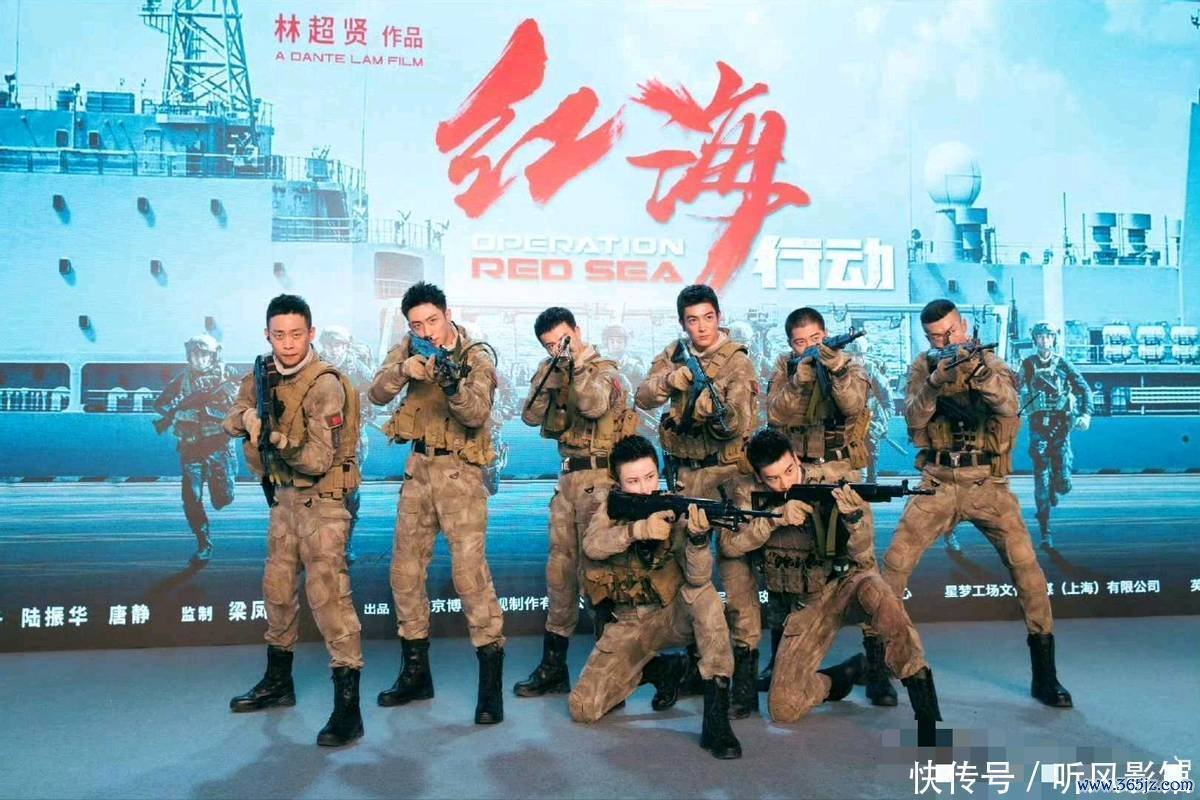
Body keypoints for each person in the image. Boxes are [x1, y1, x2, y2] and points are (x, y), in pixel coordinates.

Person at [869, 299, 1072, 708]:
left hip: (986, 483)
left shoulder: (991, 362)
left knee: (1029, 574)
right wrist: (934, 382)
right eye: (935, 337)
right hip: (938, 481)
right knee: (892, 570)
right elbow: (914, 418)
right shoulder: (922, 368)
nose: (945, 341)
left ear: (964, 326)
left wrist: (978, 372)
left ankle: (1046, 676)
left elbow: (1008, 405)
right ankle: (877, 670)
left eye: (950, 332)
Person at [722, 429, 942, 746]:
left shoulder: (834, 482)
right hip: (808, 605)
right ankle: (844, 675)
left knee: (881, 596)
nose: (784, 483)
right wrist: (773, 519)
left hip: (847, 584)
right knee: (783, 708)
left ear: (796, 458)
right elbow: (730, 547)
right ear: (758, 477)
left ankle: (925, 706)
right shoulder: (747, 492)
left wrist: (854, 520)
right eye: (773, 478)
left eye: (789, 470)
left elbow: (864, 558)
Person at [222, 294, 364, 747]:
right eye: (279, 335)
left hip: (322, 503)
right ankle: (278, 682)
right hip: (283, 501)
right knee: (278, 591)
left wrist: (277, 439)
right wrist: (248, 417)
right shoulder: (261, 374)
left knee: (329, 599)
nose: (287, 344)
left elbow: (319, 459)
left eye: (296, 334)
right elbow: (230, 417)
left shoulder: (325, 384)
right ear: (268, 335)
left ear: (311, 334)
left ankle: (348, 709)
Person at [369, 282, 506, 725]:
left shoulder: (476, 356)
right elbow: (376, 393)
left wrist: (451, 385)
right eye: (417, 324)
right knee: (404, 573)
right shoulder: (408, 348)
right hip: (419, 469)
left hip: (461, 473)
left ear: (448, 314)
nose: (426, 330)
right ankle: (416, 674)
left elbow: (475, 413)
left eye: (432, 320)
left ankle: (490, 687)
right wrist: (403, 369)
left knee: (470, 577)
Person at [568, 435, 742, 759]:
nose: (645, 488)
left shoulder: (676, 507)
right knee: (583, 708)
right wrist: (637, 531)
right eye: (633, 481)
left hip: (670, 615)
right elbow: (593, 546)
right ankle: (664, 670)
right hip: (628, 623)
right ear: (617, 482)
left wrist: (698, 540)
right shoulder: (608, 507)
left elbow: (698, 578)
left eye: (650, 477)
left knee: (704, 597)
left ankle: (716, 719)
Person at [635, 284, 761, 718]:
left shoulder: (737, 361)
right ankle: (692, 666)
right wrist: (672, 380)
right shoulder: (675, 354)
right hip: (687, 476)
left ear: (718, 317)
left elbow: (735, 425)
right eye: (693, 320)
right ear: (683, 323)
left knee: (736, 573)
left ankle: (743, 678)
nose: (702, 327)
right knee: (685, 574)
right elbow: (642, 396)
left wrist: (709, 405)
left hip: (729, 476)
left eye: (708, 317)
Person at [513, 307, 634, 697]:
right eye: (549, 345)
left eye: (562, 340)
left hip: (600, 481)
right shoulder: (552, 370)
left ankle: (609, 673)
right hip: (567, 480)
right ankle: (554, 667)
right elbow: (530, 417)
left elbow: (594, 406)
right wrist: (549, 375)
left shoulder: (605, 371)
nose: (557, 349)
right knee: (559, 573)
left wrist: (577, 364)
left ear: (578, 332)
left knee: (599, 574)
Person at [762, 307, 878, 698]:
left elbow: (852, 406)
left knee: (861, 566)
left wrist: (836, 369)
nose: (809, 347)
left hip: (839, 473)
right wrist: (800, 380)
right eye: (800, 343)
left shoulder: (849, 365)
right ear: (791, 345)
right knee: (788, 562)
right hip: (795, 476)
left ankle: (877, 666)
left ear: (826, 335)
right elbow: (777, 413)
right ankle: (779, 659)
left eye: (815, 339)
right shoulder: (785, 369)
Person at [153, 334, 238, 563]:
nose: (198, 359)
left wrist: (225, 401)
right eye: (194, 354)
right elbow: (160, 404)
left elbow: (246, 401)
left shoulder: (227, 374)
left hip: (219, 445)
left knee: (223, 499)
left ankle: (221, 495)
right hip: (191, 446)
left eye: (203, 354)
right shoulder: (182, 380)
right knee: (192, 497)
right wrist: (178, 412)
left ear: (213, 356)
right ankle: (204, 543)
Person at [1020, 321, 1094, 551]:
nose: (1044, 340)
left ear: (1053, 339)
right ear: (1035, 340)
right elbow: (1013, 387)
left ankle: (1056, 483)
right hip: (1038, 427)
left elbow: (1085, 390)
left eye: (1048, 336)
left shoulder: (1063, 364)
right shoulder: (1028, 365)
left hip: (1060, 426)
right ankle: (1045, 532)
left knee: (1064, 485)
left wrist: (1086, 414)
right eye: (1040, 336)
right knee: (1040, 478)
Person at [318, 325, 375, 564]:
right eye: (329, 344)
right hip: (320, 438)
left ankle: (346, 542)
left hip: (352, 439)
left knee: (349, 493)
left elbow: (376, 393)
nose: (333, 349)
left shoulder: (357, 368)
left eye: (338, 345)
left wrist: (362, 410)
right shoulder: (313, 366)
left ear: (345, 346)